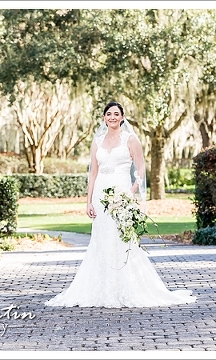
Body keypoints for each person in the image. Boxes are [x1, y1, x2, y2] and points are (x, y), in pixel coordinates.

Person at [45, 101, 196, 308]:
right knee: (101, 240)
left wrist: (130, 192)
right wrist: (88, 201)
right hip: (100, 195)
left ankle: (125, 286)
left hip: (122, 194)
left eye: (116, 114)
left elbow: (141, 169)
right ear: (104, 118)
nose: (113, 117)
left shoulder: (130, 139)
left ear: (122, 117)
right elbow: (93, 173)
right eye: (109, 114)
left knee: (122, 240)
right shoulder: (97, 141)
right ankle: (100, 288)